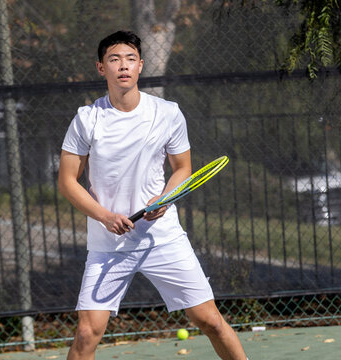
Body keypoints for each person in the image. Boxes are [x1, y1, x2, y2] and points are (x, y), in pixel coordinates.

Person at [58, 30, 248, 360]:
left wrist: (165, 199)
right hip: (109, 244)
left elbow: (182, 169)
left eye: (130, 59)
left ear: (141, 66)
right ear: (101, 68)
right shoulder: (86, 120)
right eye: (114, 59)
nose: (123, 66)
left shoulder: (168, 113)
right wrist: (105, 216)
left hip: (162, 238)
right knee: (88, 332)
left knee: (210, 321)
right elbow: (67, 181)